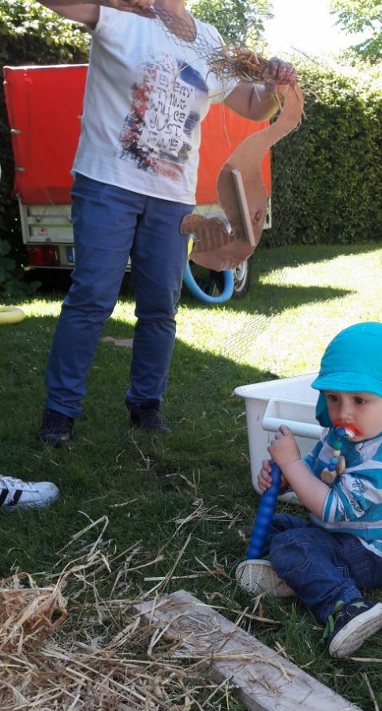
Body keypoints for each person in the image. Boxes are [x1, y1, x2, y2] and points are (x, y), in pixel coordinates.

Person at [36, 0, 298, 445]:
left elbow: (255, 106)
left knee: (160, 307)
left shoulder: (208, 39)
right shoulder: (123, 11)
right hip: (107, 183)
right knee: (92, 297)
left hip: (172, 197)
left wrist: (275, 87)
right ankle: (60, 410)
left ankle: (146, 404)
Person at [236, 322, 382, 659]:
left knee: (291, 545)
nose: (343, 412)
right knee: (278, 526)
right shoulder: (341, 434)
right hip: (335, 535)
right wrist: (287, 478)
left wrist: (291, 464)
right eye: (334, 398)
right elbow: (314, 469)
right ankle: (292, 578)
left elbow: (333, 509)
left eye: (359, 400)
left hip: (369, 553)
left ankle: (347, 606)